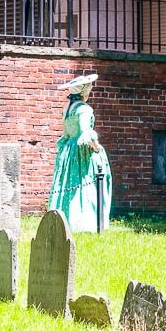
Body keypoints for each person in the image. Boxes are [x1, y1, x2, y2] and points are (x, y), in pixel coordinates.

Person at [48, 73, 112, 232]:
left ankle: (65, 220)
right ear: (83, 90)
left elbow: (68, 133)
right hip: (81, 153)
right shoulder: (84, 109)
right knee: (83, 184)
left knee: (69, 183)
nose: (90, 90)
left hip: (69, 150)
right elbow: (85, 132)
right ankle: (84, 223)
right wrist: (96, 147)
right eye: (89, 88)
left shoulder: (67, 109)